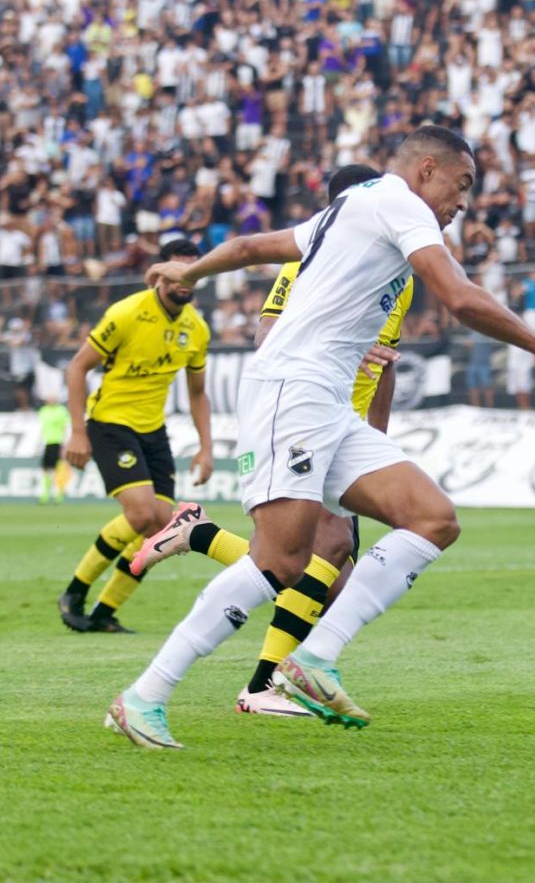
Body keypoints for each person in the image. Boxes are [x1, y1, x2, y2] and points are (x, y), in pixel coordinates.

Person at [107, 126, 535, 748]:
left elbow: (248, 247)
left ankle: (311, 662)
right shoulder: (397, 201)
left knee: (432, 518)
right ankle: (144, 695)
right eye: (462, 184)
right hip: (290, 390)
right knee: (282, 560)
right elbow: (459, 298)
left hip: (330, 404)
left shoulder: (352, 207)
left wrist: (193, 269)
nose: (463, 203)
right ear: (427, 169)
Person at [130, 165, 409, 718]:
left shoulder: (398, 266)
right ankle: (265, 683)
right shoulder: (310, 255)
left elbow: (389, 359)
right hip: (300, 415)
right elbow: (265, 332)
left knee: (332, 573)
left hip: (345, 428)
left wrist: (377, 437)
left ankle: (267, 667)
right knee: (312, 555)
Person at [56, 239, 213, 634]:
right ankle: (75, 592)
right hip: (110, 422)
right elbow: (77, 368)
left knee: (164, 530)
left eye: (193, 272)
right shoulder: (127, 313)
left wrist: (206, 447)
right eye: (178, 271)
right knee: (143, 514)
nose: (185, 280)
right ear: (161, 275)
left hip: (153, 431)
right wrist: (77, 431)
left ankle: (105, 611)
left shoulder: (197, 330)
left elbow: (197, 393)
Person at [37, 396, 70, 505]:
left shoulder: (61, 411)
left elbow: (64, 427)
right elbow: (41, 428)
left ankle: (59, 496)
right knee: (46, 469)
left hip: (58, 442)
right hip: (47, 443)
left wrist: (64, 445)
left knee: (58, 470)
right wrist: (38, 443)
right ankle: (45, 495)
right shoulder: (43, 411)